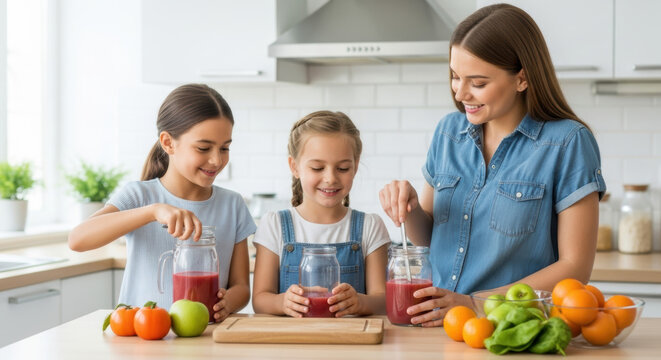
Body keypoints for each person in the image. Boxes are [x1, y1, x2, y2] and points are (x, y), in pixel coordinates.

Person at [379, 4, 606, 327]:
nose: (460, 93)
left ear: (522, 79)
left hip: (516, 329)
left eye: (478, 82)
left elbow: (575, 267)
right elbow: (429, 237)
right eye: (455, 77)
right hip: (441, 326)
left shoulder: (568, 142)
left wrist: (476, 304)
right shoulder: (448, 133)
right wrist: (411, 207)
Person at [68, 84, 256, 322]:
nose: (216, 159)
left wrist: (229, 302)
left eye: (225, 148)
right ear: (168, 143)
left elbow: (241, 286)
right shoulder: (139, 196)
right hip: (141, 338)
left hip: (205, 336)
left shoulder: (233, 204)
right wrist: (153, 211)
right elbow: (77, 240)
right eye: (203, 148)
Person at [252, 111, 390, 318]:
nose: (330, 178)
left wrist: (360, 302)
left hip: (352, 346)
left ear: (356, 166)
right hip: (291, 344)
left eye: (343, 168)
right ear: (294, 167)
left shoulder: (370, 226)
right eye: (318, 168)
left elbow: (382, 300)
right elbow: (260, 299)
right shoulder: (275, 225)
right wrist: (282, 302)